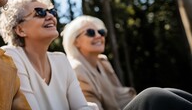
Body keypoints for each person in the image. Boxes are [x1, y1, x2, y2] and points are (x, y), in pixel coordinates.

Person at [62, 15, 192, 110]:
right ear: (75, 41)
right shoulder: (76, 69)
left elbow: (121, 97)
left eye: (101, 32)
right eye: (90, 32)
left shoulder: (103, 62)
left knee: (169, 92)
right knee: (152, 96)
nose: (99, 36)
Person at [0, 0, 96, 110]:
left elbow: (81, 107)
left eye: (52, 12)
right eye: (40, 12)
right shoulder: (11, 56)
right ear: (20, 30)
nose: (50, 16)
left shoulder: (61, 60)